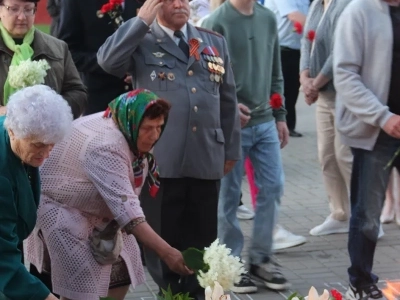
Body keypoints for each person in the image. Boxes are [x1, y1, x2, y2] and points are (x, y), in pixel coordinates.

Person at [97, 0, 241, 298]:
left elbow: (227, 99)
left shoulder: (211, 41)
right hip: (161, 162)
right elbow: (108, 62)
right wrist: (141, 21)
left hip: (205, 157)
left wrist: (231, 149)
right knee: (164, 245)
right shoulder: (142, 40)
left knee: (203, 245)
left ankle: (199, 294)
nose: (179, 4)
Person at [26, 89, 192, 300]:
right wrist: (168, 253)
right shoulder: (107, 145)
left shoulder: (127, 127)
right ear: (131, 121)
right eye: (148, 128)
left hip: (98, 211)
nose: (155, 135)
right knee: (80, 286)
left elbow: (125, 203)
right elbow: (129, 214)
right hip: (61, 208)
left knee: (121, 271)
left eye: (159, 127)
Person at [202, 0, 306, 293]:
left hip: (265, 122)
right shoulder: (216, 22)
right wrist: (228, 107)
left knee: (273, 187)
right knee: (229, 196)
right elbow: (209, 79)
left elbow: (276, 71)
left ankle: (261, 258)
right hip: (231, 124)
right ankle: (231, 265)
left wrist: (280, 114)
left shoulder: (268, 18)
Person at [333, 0, 400, 298]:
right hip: (377, 129)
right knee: (368, 212)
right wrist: (383, 117)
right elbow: (345, 75)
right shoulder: (358, 11)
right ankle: (360, 282)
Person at [0, 84, 73, 300]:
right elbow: (2, 257)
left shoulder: (20, 137)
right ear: (12, 131)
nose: (46, 154)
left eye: (51, 145)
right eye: (39, 145)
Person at [299, 0, 352, 236]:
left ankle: (366, 216)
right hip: (322, 93)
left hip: (343, 93)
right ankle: (339, 214)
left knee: (346, 156)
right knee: (327, 155)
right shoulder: (317, 6)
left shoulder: (348, 4)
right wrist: (304, 78)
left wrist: (315, 84)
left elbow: (340, 50)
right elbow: (305, 42)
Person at [0, 0, 86, 118]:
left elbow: (77, 93)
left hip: (48, 133)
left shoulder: (58, 48)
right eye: (14, 9)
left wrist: (51, 110)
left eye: (28, 9)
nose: (22, 17)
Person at [58, 0, 143, 115]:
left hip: (140, 99)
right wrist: (112, 64)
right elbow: (68, 52)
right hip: (100, 100)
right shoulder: (76, 2)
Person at [264, 0, 309, 137]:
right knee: (280, 89)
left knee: (292, 90)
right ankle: (276, 123)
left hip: (297, 49)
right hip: (280, 49)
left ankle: (289, 125)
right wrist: (319, 29)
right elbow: (294, 16)